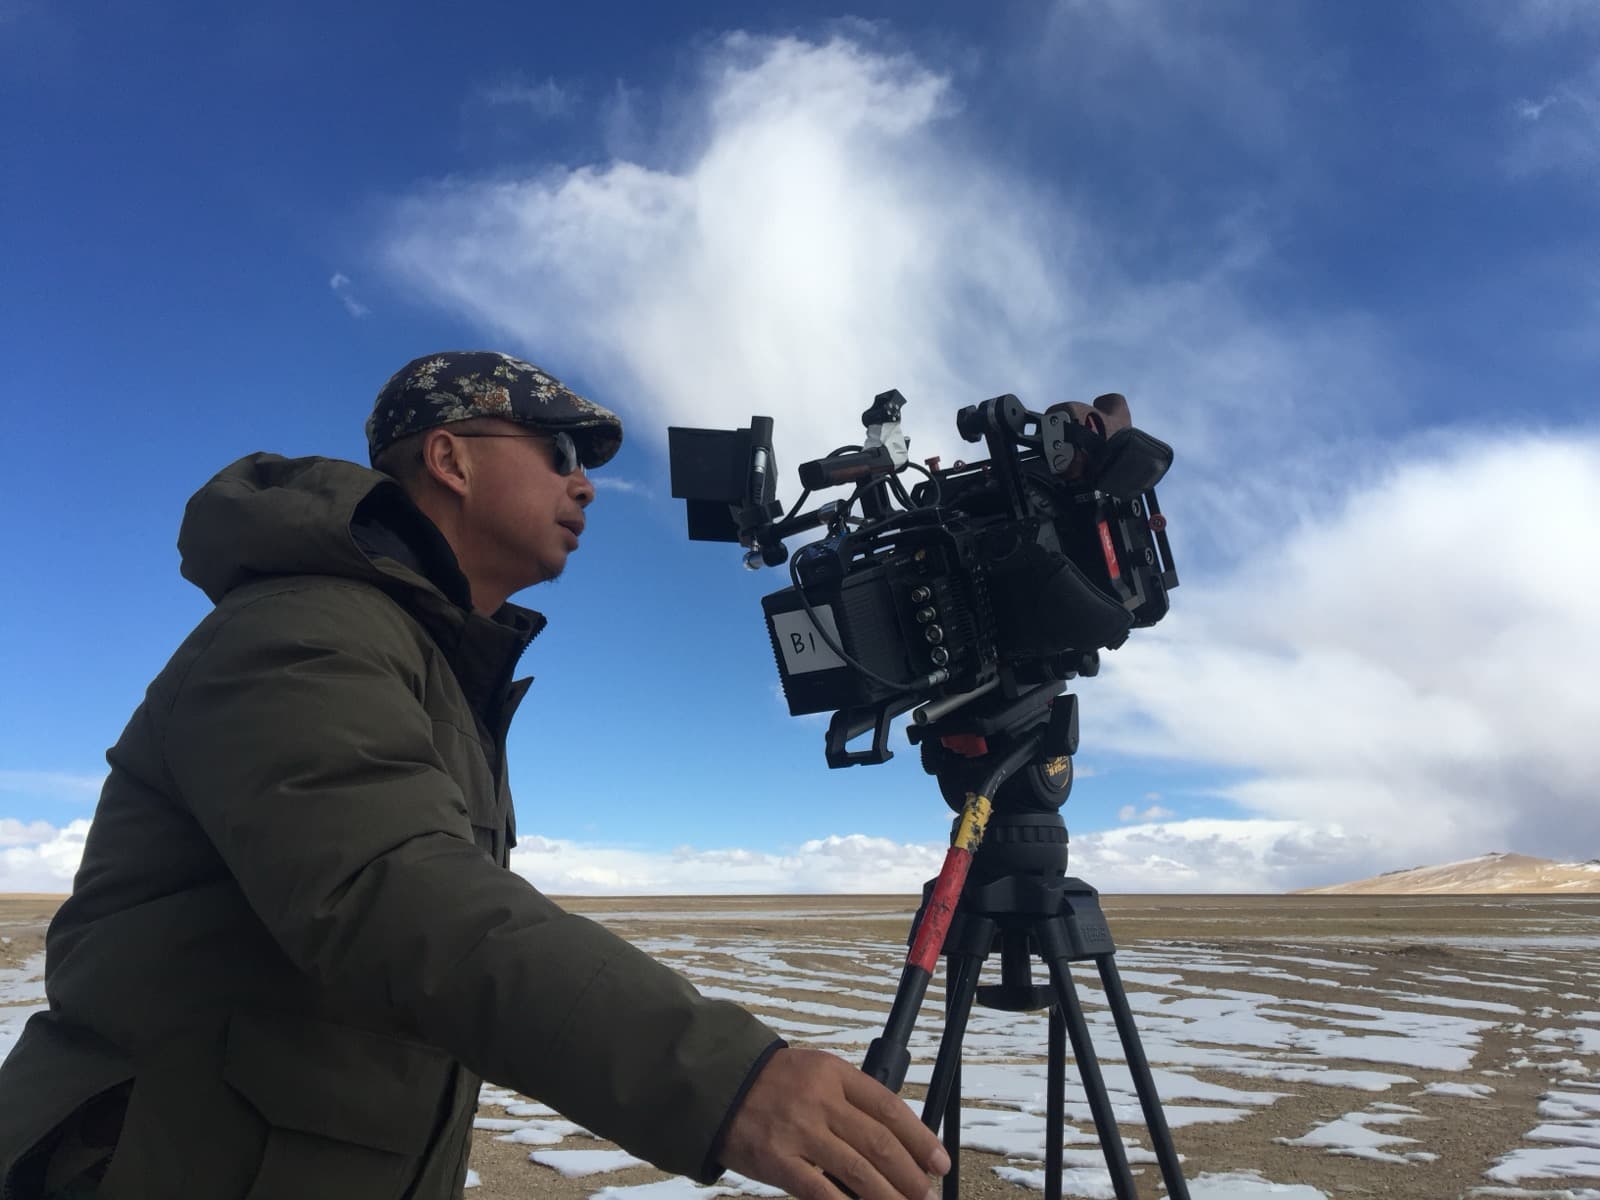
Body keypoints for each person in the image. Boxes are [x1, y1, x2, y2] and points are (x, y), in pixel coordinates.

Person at [0, 351, 951, 1200]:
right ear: (450, 460)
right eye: (560, 456)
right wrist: (722, 1078)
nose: (585, 490)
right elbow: (395, 893)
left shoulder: (426, 670)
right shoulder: (302, 629)